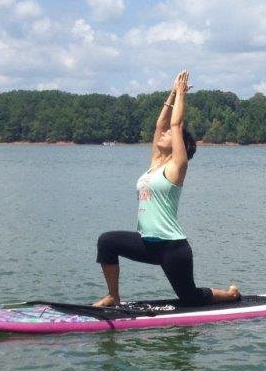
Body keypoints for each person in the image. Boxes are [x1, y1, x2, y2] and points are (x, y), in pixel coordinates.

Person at [93, 70, 241, 308]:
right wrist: (171, 92)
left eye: (169, 135)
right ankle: (113, 296)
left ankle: (230, 295)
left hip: (172, 248)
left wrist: (181, 94)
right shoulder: (155, 164)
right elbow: (161, 123)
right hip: (147, 244)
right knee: (107, 242)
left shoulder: (176, 167)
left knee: (190, 297)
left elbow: (174, 123)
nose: (162, 134)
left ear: (178, 143)